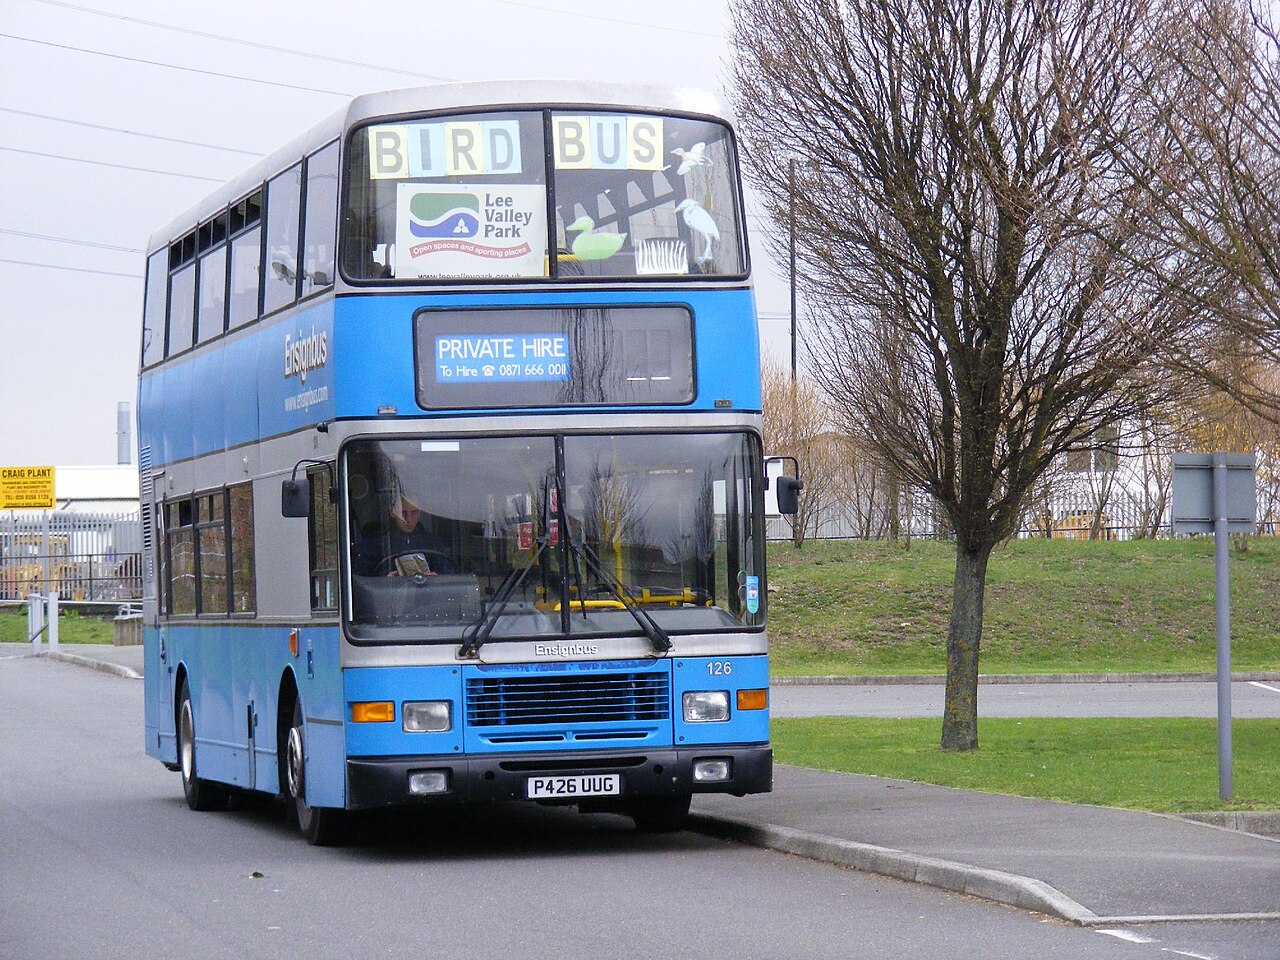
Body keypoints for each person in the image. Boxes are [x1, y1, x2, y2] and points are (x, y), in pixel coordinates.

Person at [353, 494, 451, 577]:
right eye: (403, 512)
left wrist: (437, 578)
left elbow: (449, 573)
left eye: (414, 512)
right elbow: (360, 578)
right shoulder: (375, 543)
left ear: (420, 512)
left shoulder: (432, 543)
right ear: (392, 512)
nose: (408, 519)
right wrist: (383, 581)